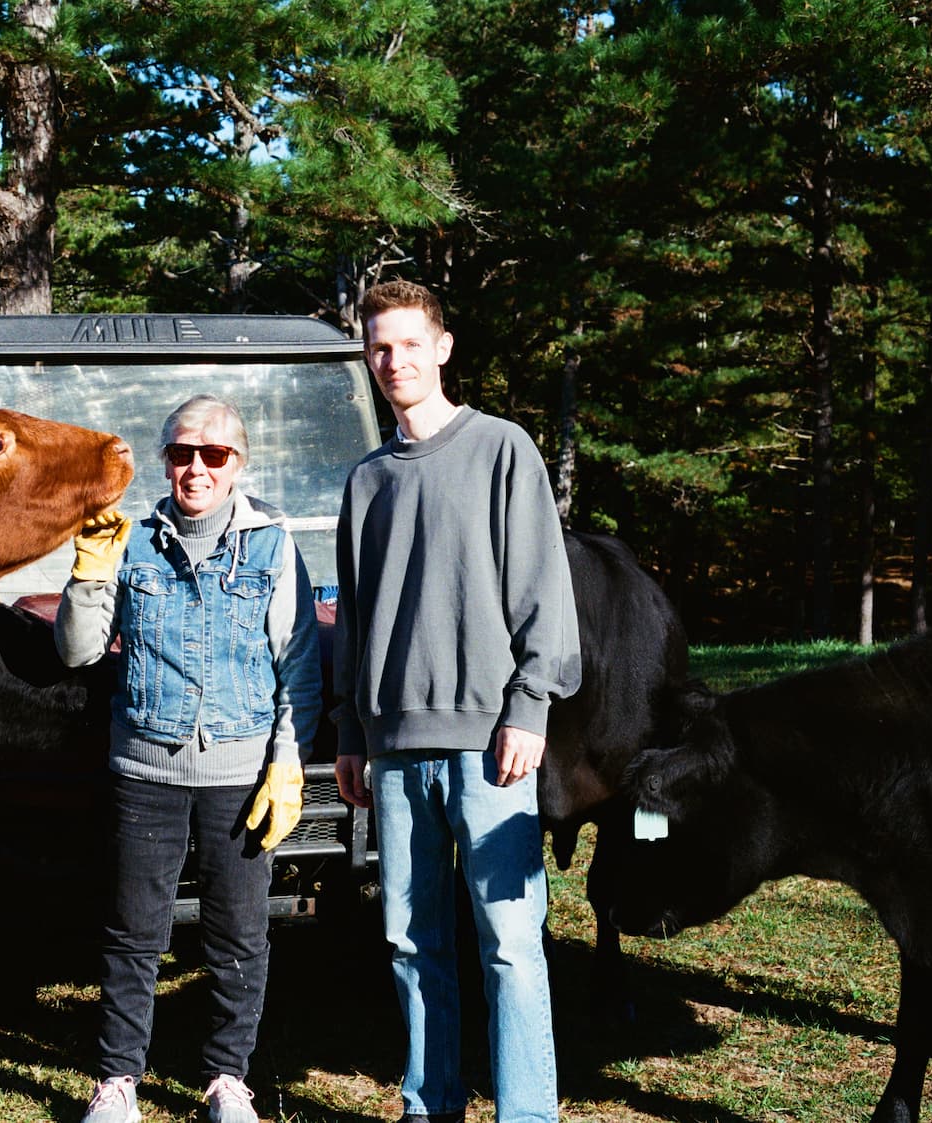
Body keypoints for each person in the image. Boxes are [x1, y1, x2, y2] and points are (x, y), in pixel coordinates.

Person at [332, 281, 581, 1123]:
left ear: (442, 348)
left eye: (409, 343)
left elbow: (544, 588)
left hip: (490, 741)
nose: (393, 360)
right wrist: (352, 730)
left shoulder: (501, 448)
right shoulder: (367, 480)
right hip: (393, 749)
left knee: (509, 941)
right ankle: (429, 1106)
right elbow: (355, 617)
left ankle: (527, 1114)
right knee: (411, 941)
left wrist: (530, 705)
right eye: (379, 346)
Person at [56, 394, 322, 1123]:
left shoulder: (272, 546)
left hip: (240, 777)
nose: (196, 468)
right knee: (133, 933)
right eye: (181, 453)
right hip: (145, 772)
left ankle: (227, 1080)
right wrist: (89, 570)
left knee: (238, 936)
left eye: (214, 454)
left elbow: (297, 665)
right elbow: (77, 651)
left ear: (239, 463)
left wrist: (287, 761)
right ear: (165, 461)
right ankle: (117, 1082)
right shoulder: (132, 542)